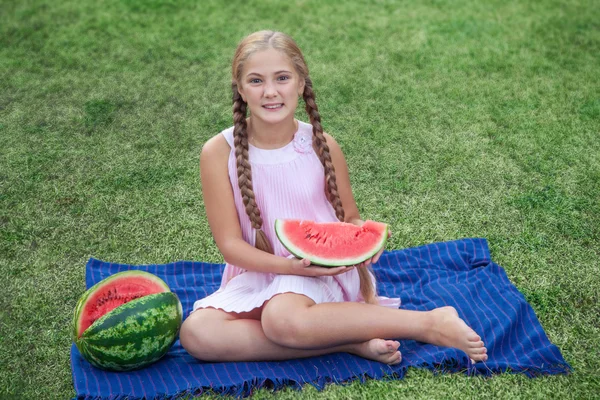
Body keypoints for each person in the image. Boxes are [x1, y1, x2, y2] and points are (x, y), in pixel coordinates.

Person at [180, 30, 488, 365]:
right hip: (260, 271)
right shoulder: (218, 152)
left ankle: (430, 323)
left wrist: (364, 237)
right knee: (197, 333)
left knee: (281, 319)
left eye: (282, 78)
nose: (270, 92)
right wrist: (288, 266)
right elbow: (230, 245)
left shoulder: (320, 144)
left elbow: (349, 219)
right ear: (239, 88)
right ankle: (347, 342)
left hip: (325, 271)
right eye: (256, 81)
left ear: (300, 83)